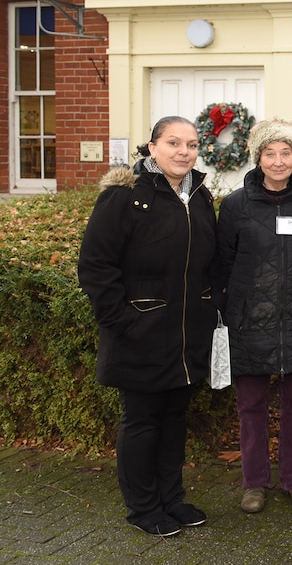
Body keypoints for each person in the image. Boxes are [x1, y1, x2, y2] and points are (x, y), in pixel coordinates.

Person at [77, 116, 218, 537]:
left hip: (187, 334)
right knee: (142, 421)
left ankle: (170, 499)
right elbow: (95, 266)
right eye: (173, 143)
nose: (183, 152)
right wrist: (123, 321)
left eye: (191, 144)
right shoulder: (126, 198)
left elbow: (209, 265)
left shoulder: (200, 196)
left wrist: (213, 309)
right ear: (152, 148)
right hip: (140, 333)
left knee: (175, 418)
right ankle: (143, 508)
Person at [216, 119, 292, 513]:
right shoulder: (234, 207)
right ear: (258, 158)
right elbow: (225, 263)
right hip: (250, 321)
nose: (278, 161)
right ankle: (254, 482)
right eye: (270, 153)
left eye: (286, 153)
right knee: (251, 407)